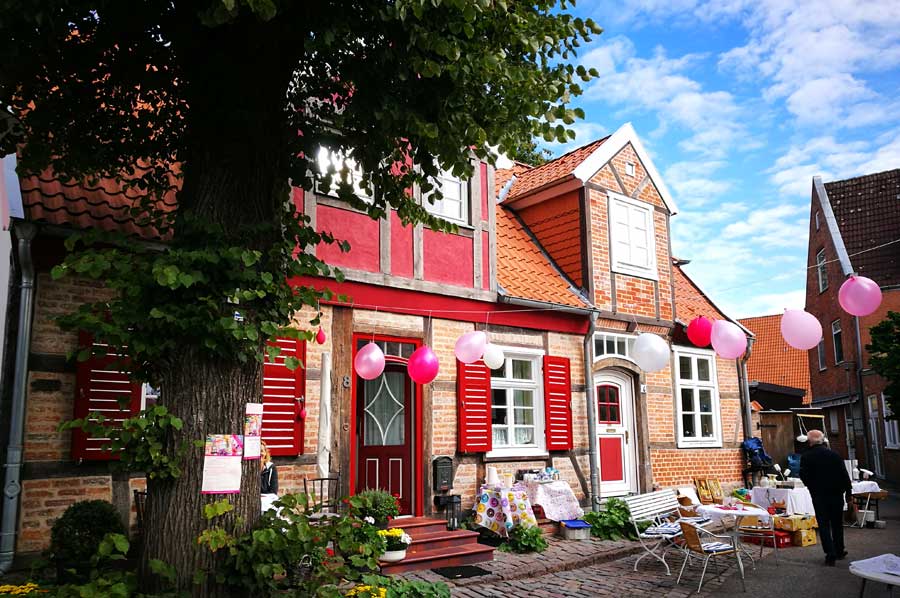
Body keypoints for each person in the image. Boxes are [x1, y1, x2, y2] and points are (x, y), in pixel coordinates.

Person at [799, 429, 852, 566]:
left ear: (810, 442)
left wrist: (811, 487)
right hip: (836, 494)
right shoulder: (834, 455)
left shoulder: (806, 456)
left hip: (819, 495)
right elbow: (844, 474)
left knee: (823, 525)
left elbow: (803, 475)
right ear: (822, 441)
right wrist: (848, 492)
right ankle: (839, 550)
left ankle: (830, 554)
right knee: (837, 524)